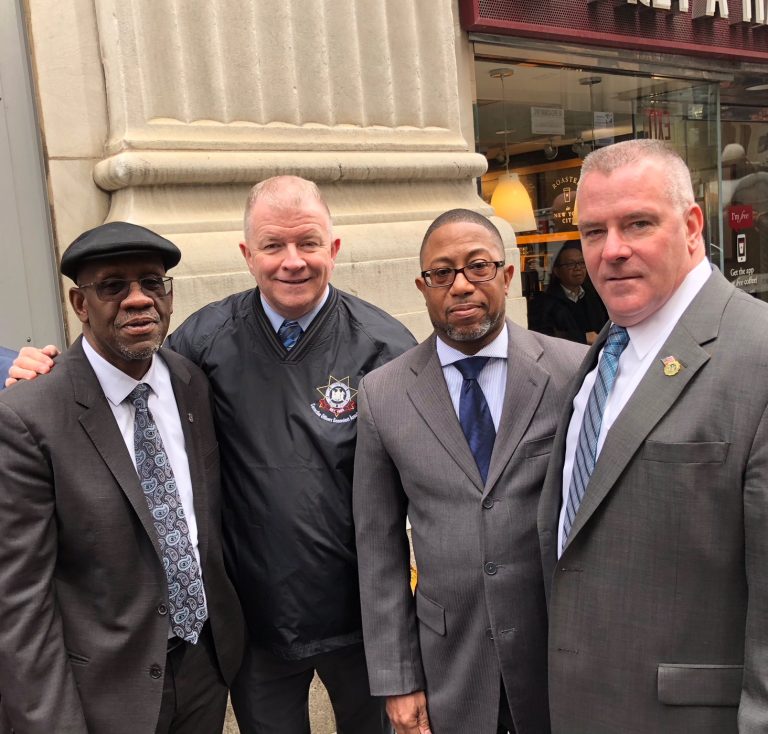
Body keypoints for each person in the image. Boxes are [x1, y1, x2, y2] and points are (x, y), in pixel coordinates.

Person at [8, 176, 415, 733]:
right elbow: (120, 368)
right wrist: (45, 375)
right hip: (252, 623)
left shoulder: (387, 347)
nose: (292, 261)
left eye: (308, 243)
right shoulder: (201, 345)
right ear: (247, 255)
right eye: (272, 245)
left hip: (361, 618)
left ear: (334, 248)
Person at [538, 139, 768, 733]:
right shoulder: (601, 358)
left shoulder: (757, 355)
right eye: (593, 232)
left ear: (691, 226)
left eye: (638, 223)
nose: (612, 250)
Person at [0, 222, 244, 734]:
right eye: (113, 286)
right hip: (106, 691)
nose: (138, 299)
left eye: (152, 282)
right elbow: (20, 600)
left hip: (205, 668)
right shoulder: (30, 415)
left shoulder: (190, 381)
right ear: (80, 303)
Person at [353, 209, 585, 734]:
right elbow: (378, 546)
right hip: (449, 664)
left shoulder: (572, 372)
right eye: (442, 273)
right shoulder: (383, 394)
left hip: (555, 656)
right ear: (423, 287)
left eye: (478, 267)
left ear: (507, 275)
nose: (460, 285)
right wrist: (397, 678)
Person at [527, 242, 607, 344]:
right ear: (557, 271)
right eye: (570, 264)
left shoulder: (595, 296)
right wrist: (582, 338)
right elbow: (543, 336)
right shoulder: (544, 303)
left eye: (581, 262)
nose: (578, 268)